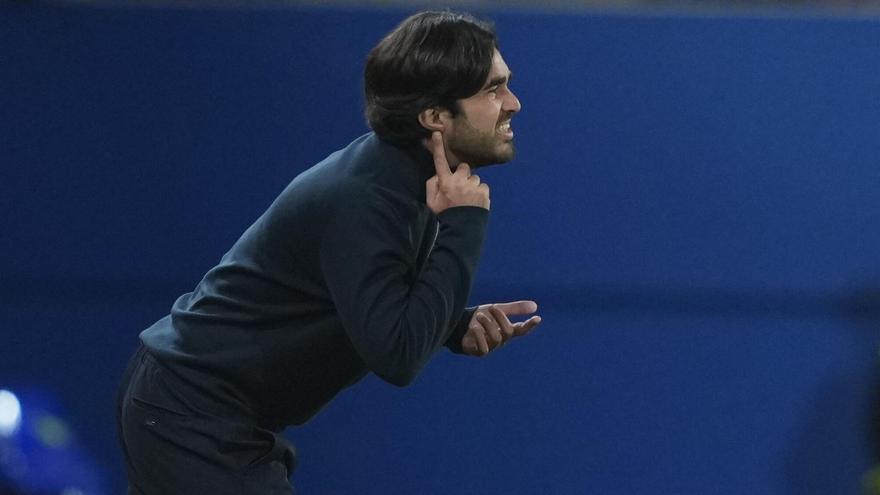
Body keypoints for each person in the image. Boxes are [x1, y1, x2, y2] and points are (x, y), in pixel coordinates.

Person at [116, 10, 541, 494]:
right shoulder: (367, 199)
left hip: (202, 411)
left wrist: (450, 323)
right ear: (435, 117)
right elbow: (397, 356)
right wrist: (463, 224)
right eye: (492, 89)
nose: (513, 103)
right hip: (192, 414)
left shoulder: (402, 176)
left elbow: (372, 307)